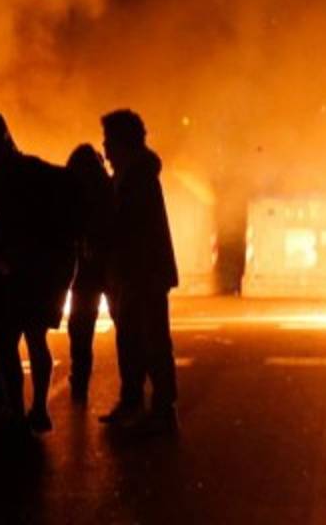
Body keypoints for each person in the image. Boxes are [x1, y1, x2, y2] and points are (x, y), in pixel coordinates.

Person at [0, 113, 74, 434]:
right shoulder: (35, 171)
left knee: (11, 341)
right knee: (21, 341)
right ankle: (30, 408)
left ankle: (23, 408)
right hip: (28, 271)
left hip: (20, 272)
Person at [98, 109, 179, 435]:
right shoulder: (132, 175)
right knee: (133, 339)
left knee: (150, 340)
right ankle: (136, 402)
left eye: (108, 141)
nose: (104, 148)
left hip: (142, 273)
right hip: (134, 273)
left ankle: (160, 407)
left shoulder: (137, 178)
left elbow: (131, 229)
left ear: (121, 142)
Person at [65, 144, 115, 403]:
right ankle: (135, 390)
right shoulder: (109, 188)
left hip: (94, 271)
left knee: (80, 329)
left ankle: (80, 381)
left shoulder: (80, 194)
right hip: (106, 269)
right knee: (125, 330)